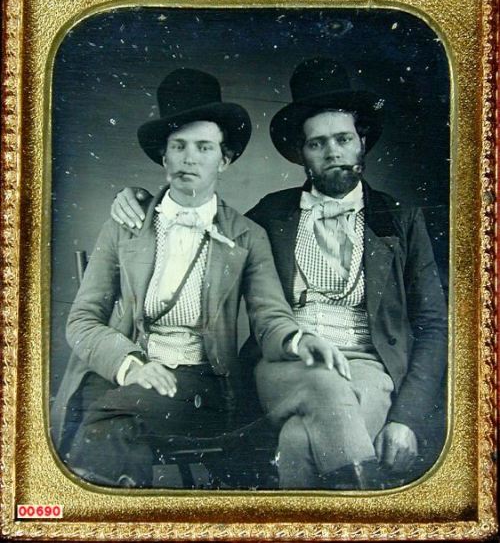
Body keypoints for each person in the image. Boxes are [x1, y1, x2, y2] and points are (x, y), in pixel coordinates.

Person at [109, 58, 448, 490]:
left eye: (343, 138)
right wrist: (141, 199)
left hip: (368, 365)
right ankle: (367, 518)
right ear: (301, 153)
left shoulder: (401, 220)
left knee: (299, 439)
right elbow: (203, 230)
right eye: (317, 143)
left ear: (361, 141)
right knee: (327, 396)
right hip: (285, 362)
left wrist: (407, 419)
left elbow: (434, 325)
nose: (333, 152)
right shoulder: (274, 214)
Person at [51, 67, 334, 488]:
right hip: (124, 371)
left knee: (107, 423)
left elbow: (270, 316)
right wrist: (132, 364)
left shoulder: (246, 236)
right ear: (163, 157)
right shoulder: (125, 224)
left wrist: (298, 339)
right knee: (79, 425)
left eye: (204, 147)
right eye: (178, 146)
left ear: (225, 158)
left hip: (198, 383)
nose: (189, 158)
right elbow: (83, 319)